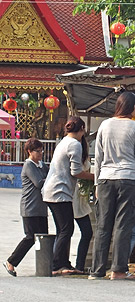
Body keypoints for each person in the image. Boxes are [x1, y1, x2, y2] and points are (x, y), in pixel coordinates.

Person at [89, 91, 135, 281]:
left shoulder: (104, 125)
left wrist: (97, 183)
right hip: (129, 179)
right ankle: (118, 270)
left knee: (103, 226)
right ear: (133, 108)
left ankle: (97, 271)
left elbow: (99, 157)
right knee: (123, 225)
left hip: (105, 179)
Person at [42, 116, 94, 276]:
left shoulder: (64, 142)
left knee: (62, 229)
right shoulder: (74, 144)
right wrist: (94, 177)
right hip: (60, 192)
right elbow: (76, 172)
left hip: (52, 190)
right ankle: (56, 265)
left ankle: (63, 263)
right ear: (82, 128)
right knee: (66, 229)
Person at [3, 138, 49, 277]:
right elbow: (39, 183)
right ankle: (11, 261)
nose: (40, 153)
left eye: (41, 150)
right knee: (30, 237)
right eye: (37, 151)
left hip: (41, 208)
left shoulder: (42, 165)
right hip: (30, 207)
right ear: (29, 151)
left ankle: (46, 266)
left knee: (44, 237)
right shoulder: (28, 165)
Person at [72, 158, 93, 274]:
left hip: (80, 198)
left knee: (87, 232)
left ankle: (79, 265)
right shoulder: (73, 151)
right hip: (72, 196)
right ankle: (59, 264)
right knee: (65, 232)